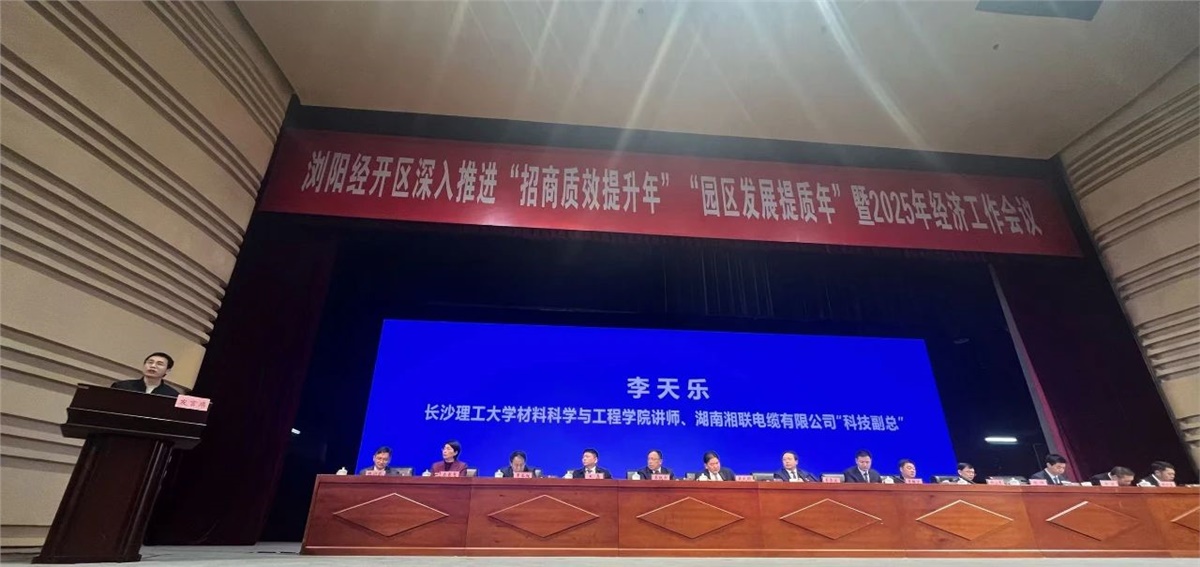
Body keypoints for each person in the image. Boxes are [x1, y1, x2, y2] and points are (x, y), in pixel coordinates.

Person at [111, 352, 181, 397]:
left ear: (167, 370)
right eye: (150, 362)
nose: (153, 366)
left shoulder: (173, 395)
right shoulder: (121, 386)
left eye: (159, 364)